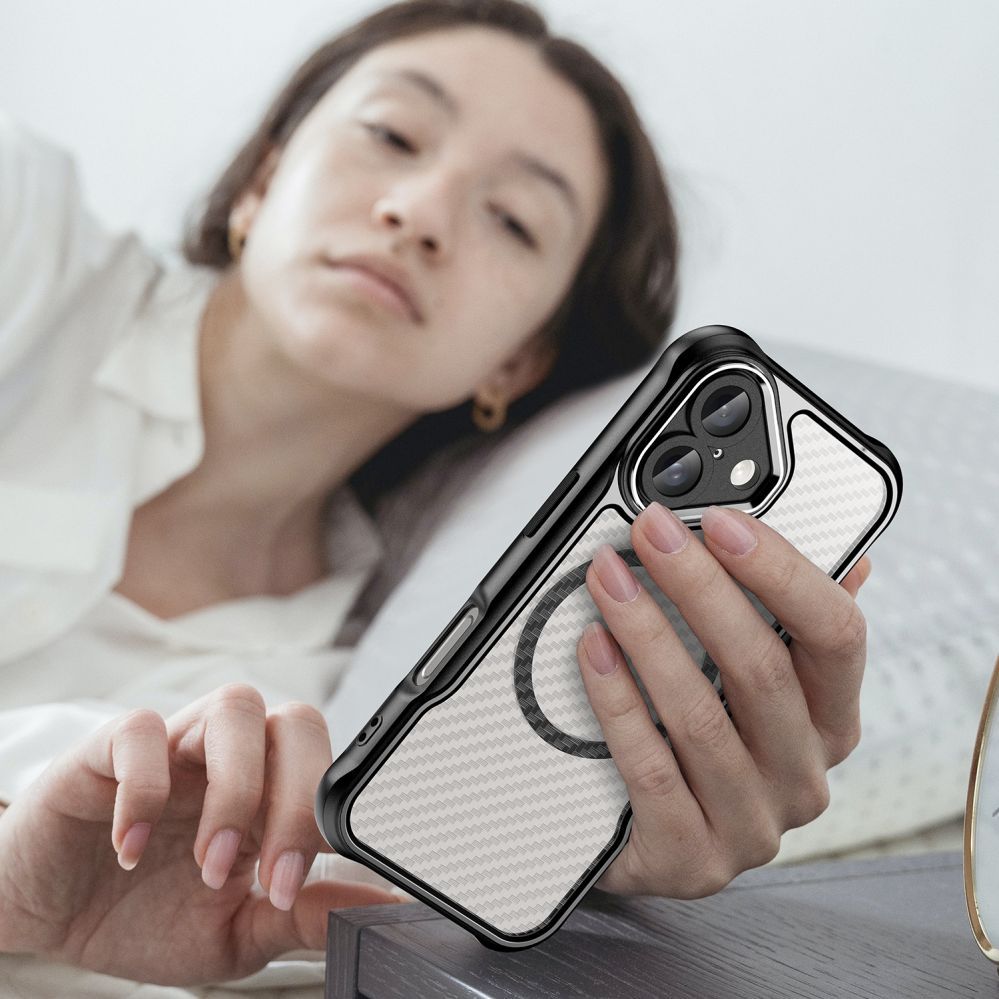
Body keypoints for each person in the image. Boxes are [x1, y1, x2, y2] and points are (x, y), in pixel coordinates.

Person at [0, 0, 872, 992]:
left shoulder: (321, 734)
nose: (418, 214)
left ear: (519, 361)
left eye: (513, 220)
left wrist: (577, 875)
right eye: (391, 134)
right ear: (261, 180)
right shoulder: (22, 228)